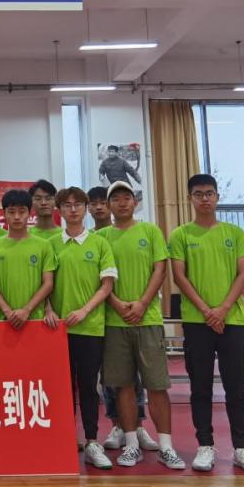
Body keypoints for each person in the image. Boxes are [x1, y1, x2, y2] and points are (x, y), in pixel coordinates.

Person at [170, 174, 244, 474]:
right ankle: (205, 445)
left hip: (232, 320)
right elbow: (179, 276)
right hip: (197, 322)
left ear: (217, 197)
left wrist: (222, 309)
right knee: (200, 387)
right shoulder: (181, 235)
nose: (205, 199)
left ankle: (242, 448)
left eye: (209, 193)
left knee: (236, 387)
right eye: (198, 194)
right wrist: (207, 311)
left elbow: (243, 274)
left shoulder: (234, 233)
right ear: (190, 198)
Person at [98, 181, 185, 469]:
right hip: (115, 322)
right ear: (108, 206)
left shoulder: (150, 231)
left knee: (157, 385)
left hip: (148, 320)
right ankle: (132, 444)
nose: (122, 203)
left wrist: (143, 303)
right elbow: (100, 277)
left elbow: (159, 270)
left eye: (127, 198)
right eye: (116, 199)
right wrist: (117, 304)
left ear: (135, 202)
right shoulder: (102, 237)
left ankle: (166, 447)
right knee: (123, 385)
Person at [47, 186, 116, 470]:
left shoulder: (99, 243)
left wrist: (85, 310)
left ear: (85, 209)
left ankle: (91, 441)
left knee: (88, 387)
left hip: (90, 327)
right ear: (60, 210)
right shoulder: (51, 244)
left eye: (78, 205)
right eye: (67, 205)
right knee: (62, 388)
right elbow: (45, 284)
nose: (73, 209)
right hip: (57, 331)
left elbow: (107, 285)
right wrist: (49, 310)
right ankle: (64, 439)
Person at [88, 185, 151, 449]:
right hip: (102, 319)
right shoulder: (90, 239)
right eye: (94, 203)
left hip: (134, 315)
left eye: (103, 202)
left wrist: (139, 304)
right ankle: (117, 425)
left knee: (135, 377)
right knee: (111, 377)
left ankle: (138, 426)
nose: (99, 207)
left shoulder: (139, 231)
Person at [0, 189, 56, 329]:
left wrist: (27, 310)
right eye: (11, 212)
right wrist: (7, 311)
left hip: (36, 319)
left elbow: (48, 283)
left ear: (29, 213)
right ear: (4, 213)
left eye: (22, 212)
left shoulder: (44, 245)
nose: (17, 217)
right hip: (3, 319)